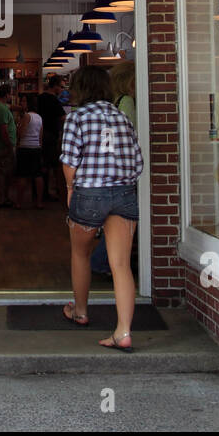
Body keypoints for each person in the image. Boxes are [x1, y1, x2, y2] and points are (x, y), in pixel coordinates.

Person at [60, 65, 144, 351]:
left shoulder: (77, 118)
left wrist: (70, 189)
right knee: (120, 264)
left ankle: (80, 311)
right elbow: (138, 162)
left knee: (80, 254)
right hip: (123, 193)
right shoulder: (123, 117)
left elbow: (69, 160)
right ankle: (123, 331)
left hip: (89, 193)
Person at [92, 61, 138, 275]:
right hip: (123, 171)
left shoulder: (111, 102)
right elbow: (131, 135)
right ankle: (105, 262)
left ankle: (104, 260)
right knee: (122, 219)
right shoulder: (127, 102)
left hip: (109, 169)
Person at [37, 74, 67, 201]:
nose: (62, 90)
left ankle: (41, 193)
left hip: (40, 134)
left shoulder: (39, 98)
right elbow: (63, 117)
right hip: (51, 135)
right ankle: (55, 192)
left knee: (43, 165)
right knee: (54, 165)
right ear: (54, 86)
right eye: (61, 87)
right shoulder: (54, 100)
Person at [15, 94, 44, 209]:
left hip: (25, 147)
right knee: (37, 175)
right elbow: (41, 136)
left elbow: (21, 133)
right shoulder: (39, 117)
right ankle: (39, 202)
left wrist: (18, 125)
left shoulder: (27, 116)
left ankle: (19, 202)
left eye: (23, 101)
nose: (21, 103)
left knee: (22, 176)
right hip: (36, 148)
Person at [0, 83, 16, 207]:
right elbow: (4, 129)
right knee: (5, 174)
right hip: (4, 146)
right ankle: (4, 199)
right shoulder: (2, 109)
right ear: (7, 95)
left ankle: (3, 198)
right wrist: (9, 145)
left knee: (2, 172)